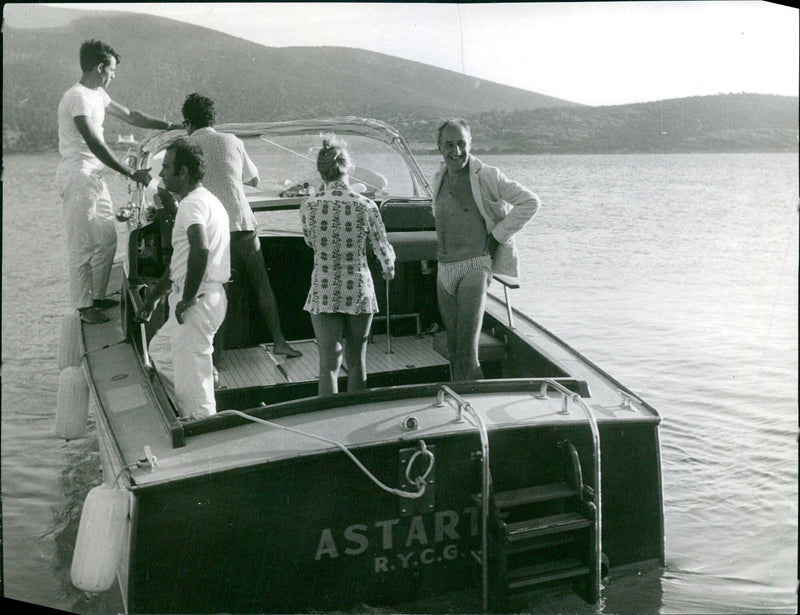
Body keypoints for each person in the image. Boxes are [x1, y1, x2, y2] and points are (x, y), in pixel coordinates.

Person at [56, 39, 182, 324]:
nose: (113, 76)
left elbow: (130, 116)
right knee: (82, 245)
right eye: (112, 70)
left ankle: (96, 297)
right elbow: (94, 142)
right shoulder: (77, 96)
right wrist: (130, 173)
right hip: (77, 176)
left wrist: (169, 126)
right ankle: (84, 307)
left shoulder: (97, 94)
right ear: (100, 67)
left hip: (93, 176)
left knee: (107, 239)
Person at [173, 92, 301, 358]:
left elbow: (174, 186)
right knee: (261, 282)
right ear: (213, 118)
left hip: (212, 228)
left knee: (217, 291)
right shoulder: (232, 141)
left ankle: (217, 360)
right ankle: (279, 341)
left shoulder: (184, 147)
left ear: (187, 122)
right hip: (242, 222)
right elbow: (253, 179)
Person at [431, 118, 540, 380]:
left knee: (468, 354)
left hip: (474, 267)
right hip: (445, 269)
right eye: (449, 145)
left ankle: (477, 408)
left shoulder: (487, 176)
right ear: (439, 147)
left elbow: (530, 202)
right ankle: (461, 410)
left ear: (470, 144)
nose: (456, 152)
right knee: (454, 348)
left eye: (461, 144)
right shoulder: (438, 177)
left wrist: (497, 235)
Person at [136, 140, 230, 418]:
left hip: (195, 301)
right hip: (208, 297)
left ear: (184, 172)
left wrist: (186, 297)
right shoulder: (209, 201)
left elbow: (201, 249)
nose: (162, 174)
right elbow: (180, 262)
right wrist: (153, 300)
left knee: (195, 393)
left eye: (166, 167)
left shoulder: (191, 206)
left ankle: (201, 423)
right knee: (161, 350)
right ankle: (197, 393)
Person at [300, 136, 395, 396]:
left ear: (321, 171)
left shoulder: (309, 206)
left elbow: (310, 241)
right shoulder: (366, 205)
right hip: (359, 288)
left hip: (325, 286)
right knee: (357, 363)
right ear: (348, 168)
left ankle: (327, 422)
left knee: (328, 365)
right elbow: (382, 250)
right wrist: (389, 268)